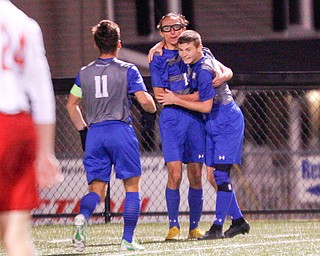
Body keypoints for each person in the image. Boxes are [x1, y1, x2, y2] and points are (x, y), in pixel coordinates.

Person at [67, 19, 157, 252]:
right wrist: (151, 110)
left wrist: (82, 130)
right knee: (132, 185)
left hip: (95, 133)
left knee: (96, 189)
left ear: (96, 45)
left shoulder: (84, 73)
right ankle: (127, 239)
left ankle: (83, 217)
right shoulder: (128, 70)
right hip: (120, 131)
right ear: (119, 44)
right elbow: (145, 100)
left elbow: (71, 105)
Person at [156, 30, 250, 240]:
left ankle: (217, 227)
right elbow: (216, 81)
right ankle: (238, 221)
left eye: (188, 49)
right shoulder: (201, 57)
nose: (184, 54)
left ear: (198, 48)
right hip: (212, 122)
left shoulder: (204, 69)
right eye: (181, 50)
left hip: (225, 120)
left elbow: (206, 106)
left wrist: (175, 99)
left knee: (220, 175)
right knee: (211, 175)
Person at [0, 1, 62, 255]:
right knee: (16, 238)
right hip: (17, 127)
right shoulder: (24, 22)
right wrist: (45, 152)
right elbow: (42, 93)